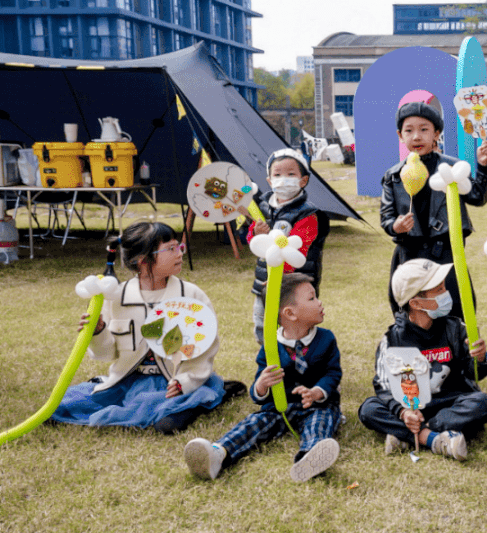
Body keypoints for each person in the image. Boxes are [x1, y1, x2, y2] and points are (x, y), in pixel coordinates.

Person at [53, 222, 238, 434]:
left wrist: (184, 382)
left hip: (174, 381)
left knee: (167, 425)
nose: (180, 253)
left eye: (179, 247)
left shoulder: (191, 295)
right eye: (171, 249)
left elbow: (204, 347)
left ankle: (203, 397)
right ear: (142, 260)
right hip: (128, 381)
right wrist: (97, 332)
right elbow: (106, 354)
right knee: (63, 408)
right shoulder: (116, 297)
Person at [184, 273, 343, 482]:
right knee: (253, 424)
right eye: (312, 298)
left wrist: (316, 392)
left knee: (319, 423)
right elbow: (257, 388)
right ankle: (218, 453)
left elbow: (333, 373)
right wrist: (261, 386)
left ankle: (309, 458)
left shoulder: (326, 339)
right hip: (279, 407)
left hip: (316, 406)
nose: (319, 302)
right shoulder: (271, 346)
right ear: (290, 313)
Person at [358, 259, 487, 461]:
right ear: (416, 303)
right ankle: (433, 439)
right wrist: (404, 412)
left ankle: (409, 435)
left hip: (450, 403)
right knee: (368, 409)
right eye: (439, 290)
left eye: (444, 287)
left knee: (482, 402)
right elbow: (384, 385)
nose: (446, 293)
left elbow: (474, 374)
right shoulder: (392, 339)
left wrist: (479, 359)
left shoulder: (456, 328)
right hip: (411, 406)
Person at [380, 101, 487, 319]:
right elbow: (386, 218)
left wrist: (482, 166)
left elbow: (477, 197)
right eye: (409, 130)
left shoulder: (452, 167)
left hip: (445, 254)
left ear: (436, 134)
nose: (416, 137)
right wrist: (395, 226)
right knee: (410, 313)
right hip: (409, 254)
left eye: (424, 129)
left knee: (455, 310)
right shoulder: (393, 176)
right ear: (400, 135)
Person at [247, 148, 330, 342]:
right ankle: (268, 356)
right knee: (263, 325)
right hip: (265, 283)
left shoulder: (308, 214)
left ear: (303, 180)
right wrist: (256, 234)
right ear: (269, 180)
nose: (283, 179)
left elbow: (298, 250)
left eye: (291, 174)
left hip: (295, 286)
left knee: (296, 329)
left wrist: (279, 280)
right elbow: (253, 240)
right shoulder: (263, 207)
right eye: (277, 175)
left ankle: (296, 357)